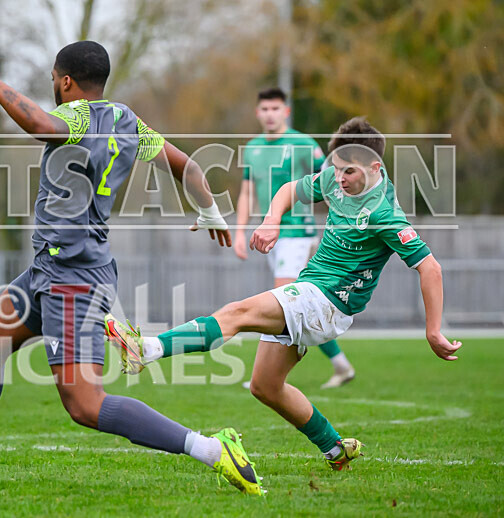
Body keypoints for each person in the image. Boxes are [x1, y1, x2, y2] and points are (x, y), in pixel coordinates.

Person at [0, 38, 264, 495]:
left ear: (67, 81)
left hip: (72, 278)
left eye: (54, 80)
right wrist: (211, 211)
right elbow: (187, 165)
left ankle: (212, 449)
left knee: (84, 405)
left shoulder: (76, 115)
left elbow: (38, 123)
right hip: (49, 269)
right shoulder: (127, 120)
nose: (53, 87)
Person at [107, 117, 462, 472]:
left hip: (328, 303)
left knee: (238, 313)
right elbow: (291, 190)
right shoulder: (336, 179)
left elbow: (429, 267)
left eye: (348, 172)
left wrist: (432, 331)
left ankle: (147, 349)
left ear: (375, 167)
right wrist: (273, 218)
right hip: (312, 290)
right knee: (265, 385)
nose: (339, 179)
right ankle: (334, 448)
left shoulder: (385, 215)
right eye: (336, 169)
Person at [235, 87, 354, 389]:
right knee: (294, 304)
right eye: (264, 109)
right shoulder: (253, 148)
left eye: (276, 109)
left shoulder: (304, 143)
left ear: (285, 111)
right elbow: (247, 192)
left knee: (281, 300)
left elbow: (334, 181)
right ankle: (341, 365)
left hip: (298, 234)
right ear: (257, 113)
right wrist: (239, 232)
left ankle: (265, 376)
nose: (270, 114)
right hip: (271, 236)